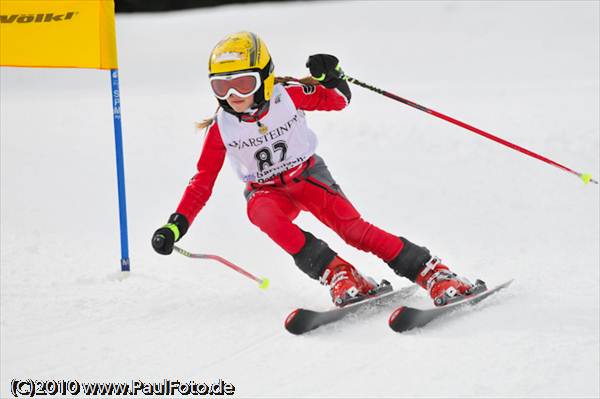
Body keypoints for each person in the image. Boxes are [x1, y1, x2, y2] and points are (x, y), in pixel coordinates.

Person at [152, 31, 475, 307]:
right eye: (222, 87)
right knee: (260, 212)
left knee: (354, 232)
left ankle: (433, 272)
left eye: (243, 83)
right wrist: (175, 226)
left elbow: (338, 100)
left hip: (308, 177)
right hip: (266, 191)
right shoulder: (222, 128)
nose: (233, 95)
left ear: (264, 78)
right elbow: (201, 182)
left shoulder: (288, 96)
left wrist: (331, 76)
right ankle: (339, 274)